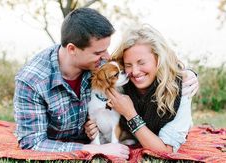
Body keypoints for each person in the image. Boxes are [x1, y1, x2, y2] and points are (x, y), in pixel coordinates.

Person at [14, 7, 197, 159]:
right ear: (72, 49)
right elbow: (32, 143)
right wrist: (93, 148)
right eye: (99, 52)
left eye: (107, 49)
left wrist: (188, 73)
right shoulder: (33, 82)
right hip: (89, 143)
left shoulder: (101, 64)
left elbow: (149, 61)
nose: (108, 57)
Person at [85, 24, 197, 153]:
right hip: (127, 139)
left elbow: (165, 151)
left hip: (164, 139)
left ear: (159, 60)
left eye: (142, 63)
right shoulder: (122, 80)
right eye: (128, 65)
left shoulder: (180, 89)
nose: (135, 71)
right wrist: (94, 126)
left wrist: (130, 114)